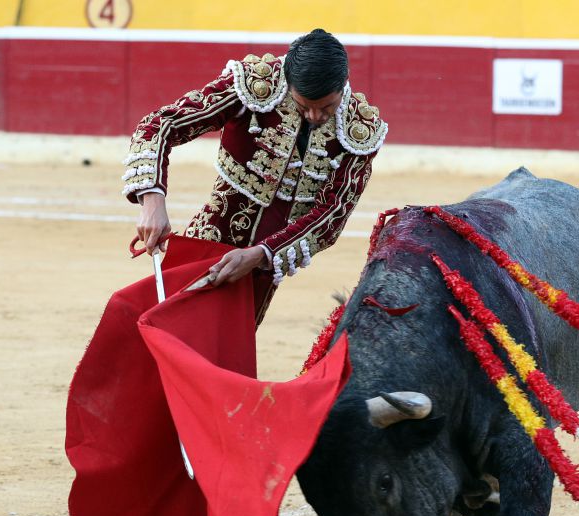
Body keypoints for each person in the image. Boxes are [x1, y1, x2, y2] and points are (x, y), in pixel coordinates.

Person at [124, 29, 387, 323]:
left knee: (227, 347)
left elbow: (333, 213)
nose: (314, 117)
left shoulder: (359, 129)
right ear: (288, 85)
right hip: (208, 240)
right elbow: (160, 125)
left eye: (326, 107)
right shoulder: (255, 84)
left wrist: (261, 254)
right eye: (303, 106)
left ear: (343, 86)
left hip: (264, 265)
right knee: (168, 332)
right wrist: (152, 201)